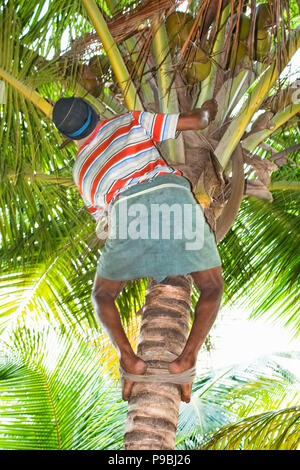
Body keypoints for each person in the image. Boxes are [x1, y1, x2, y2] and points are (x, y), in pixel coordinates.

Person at [52, 97, 224, 403]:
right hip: (172, 198)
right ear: (94, 111)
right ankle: (187, 359)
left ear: (68, 138)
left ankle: (129, 358)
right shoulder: (127, 121)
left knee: (102, 296)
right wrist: (207, 110)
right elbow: (195, 122)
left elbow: (101, 219)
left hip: (126, 215)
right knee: (211, 287)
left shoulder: (81, 172)